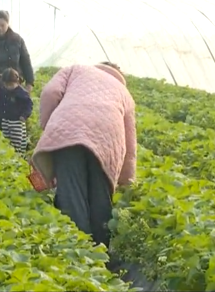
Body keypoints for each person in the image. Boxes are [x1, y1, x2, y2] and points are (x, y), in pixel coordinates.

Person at [31, 62, 137, 249]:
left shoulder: (76, 69)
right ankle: (101, 252)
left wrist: (49, 125)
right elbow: (130, 146)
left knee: (71, 189)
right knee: (100, 194)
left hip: (68, 128)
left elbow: (50, 93)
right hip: (108, 137)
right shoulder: (124, 92)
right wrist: (127, 181)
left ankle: (77, 251)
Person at [0, 68, 33, 155]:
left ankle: (19, 157)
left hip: (17, 122)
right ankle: (10, 156)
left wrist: (24, 116)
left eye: (11, 85)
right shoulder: (3, 90)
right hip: (5, 120)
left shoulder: (22, 93)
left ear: (17, 82)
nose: (9, 87)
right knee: (7, 140)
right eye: (7, 85)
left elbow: (29, 105)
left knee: (18, 142)